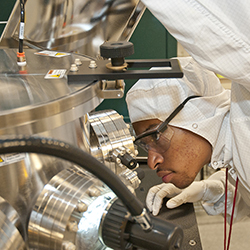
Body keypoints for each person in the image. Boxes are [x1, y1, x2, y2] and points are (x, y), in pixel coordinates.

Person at [126, 0, 250, 223]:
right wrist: (212, 189)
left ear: (196, 113)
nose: (152, 162)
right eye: (145, 146)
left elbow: (233, 41)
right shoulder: (238, 150)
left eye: (155, 136)